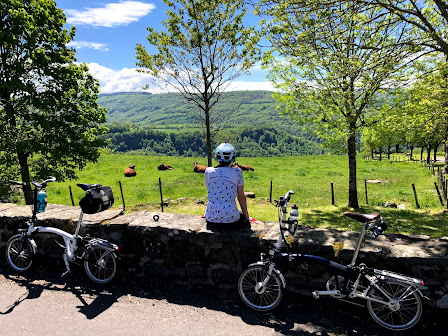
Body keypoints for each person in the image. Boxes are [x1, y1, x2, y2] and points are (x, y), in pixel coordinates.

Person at [204, 143, 249, 230]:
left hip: (210, 216)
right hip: (231, 218)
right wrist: (247, 218)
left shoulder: (208, 171)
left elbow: (211, 191)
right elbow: (241, 196)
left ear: (216, 157)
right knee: (240, 215)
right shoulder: (237, 171)